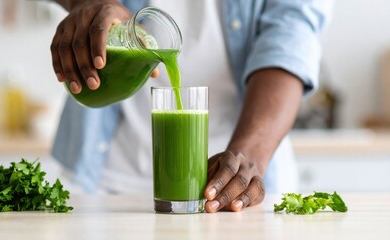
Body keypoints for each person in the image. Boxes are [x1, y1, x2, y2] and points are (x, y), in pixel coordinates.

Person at [50, 0, 333, 213]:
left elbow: (291, 39)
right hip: (104, 183)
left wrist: (249, 155)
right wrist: (87, 3)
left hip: (232, 190)